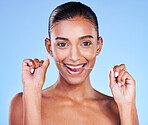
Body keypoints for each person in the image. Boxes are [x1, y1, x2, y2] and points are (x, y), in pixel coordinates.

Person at [9, 2, 139, 125]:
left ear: (98, 46)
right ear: (49, 48)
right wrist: (32, 92)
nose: (74, 57)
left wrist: (127, 106)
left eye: (85, 43)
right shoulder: (22, 103)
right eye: (63, 44)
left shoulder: (119, 108)